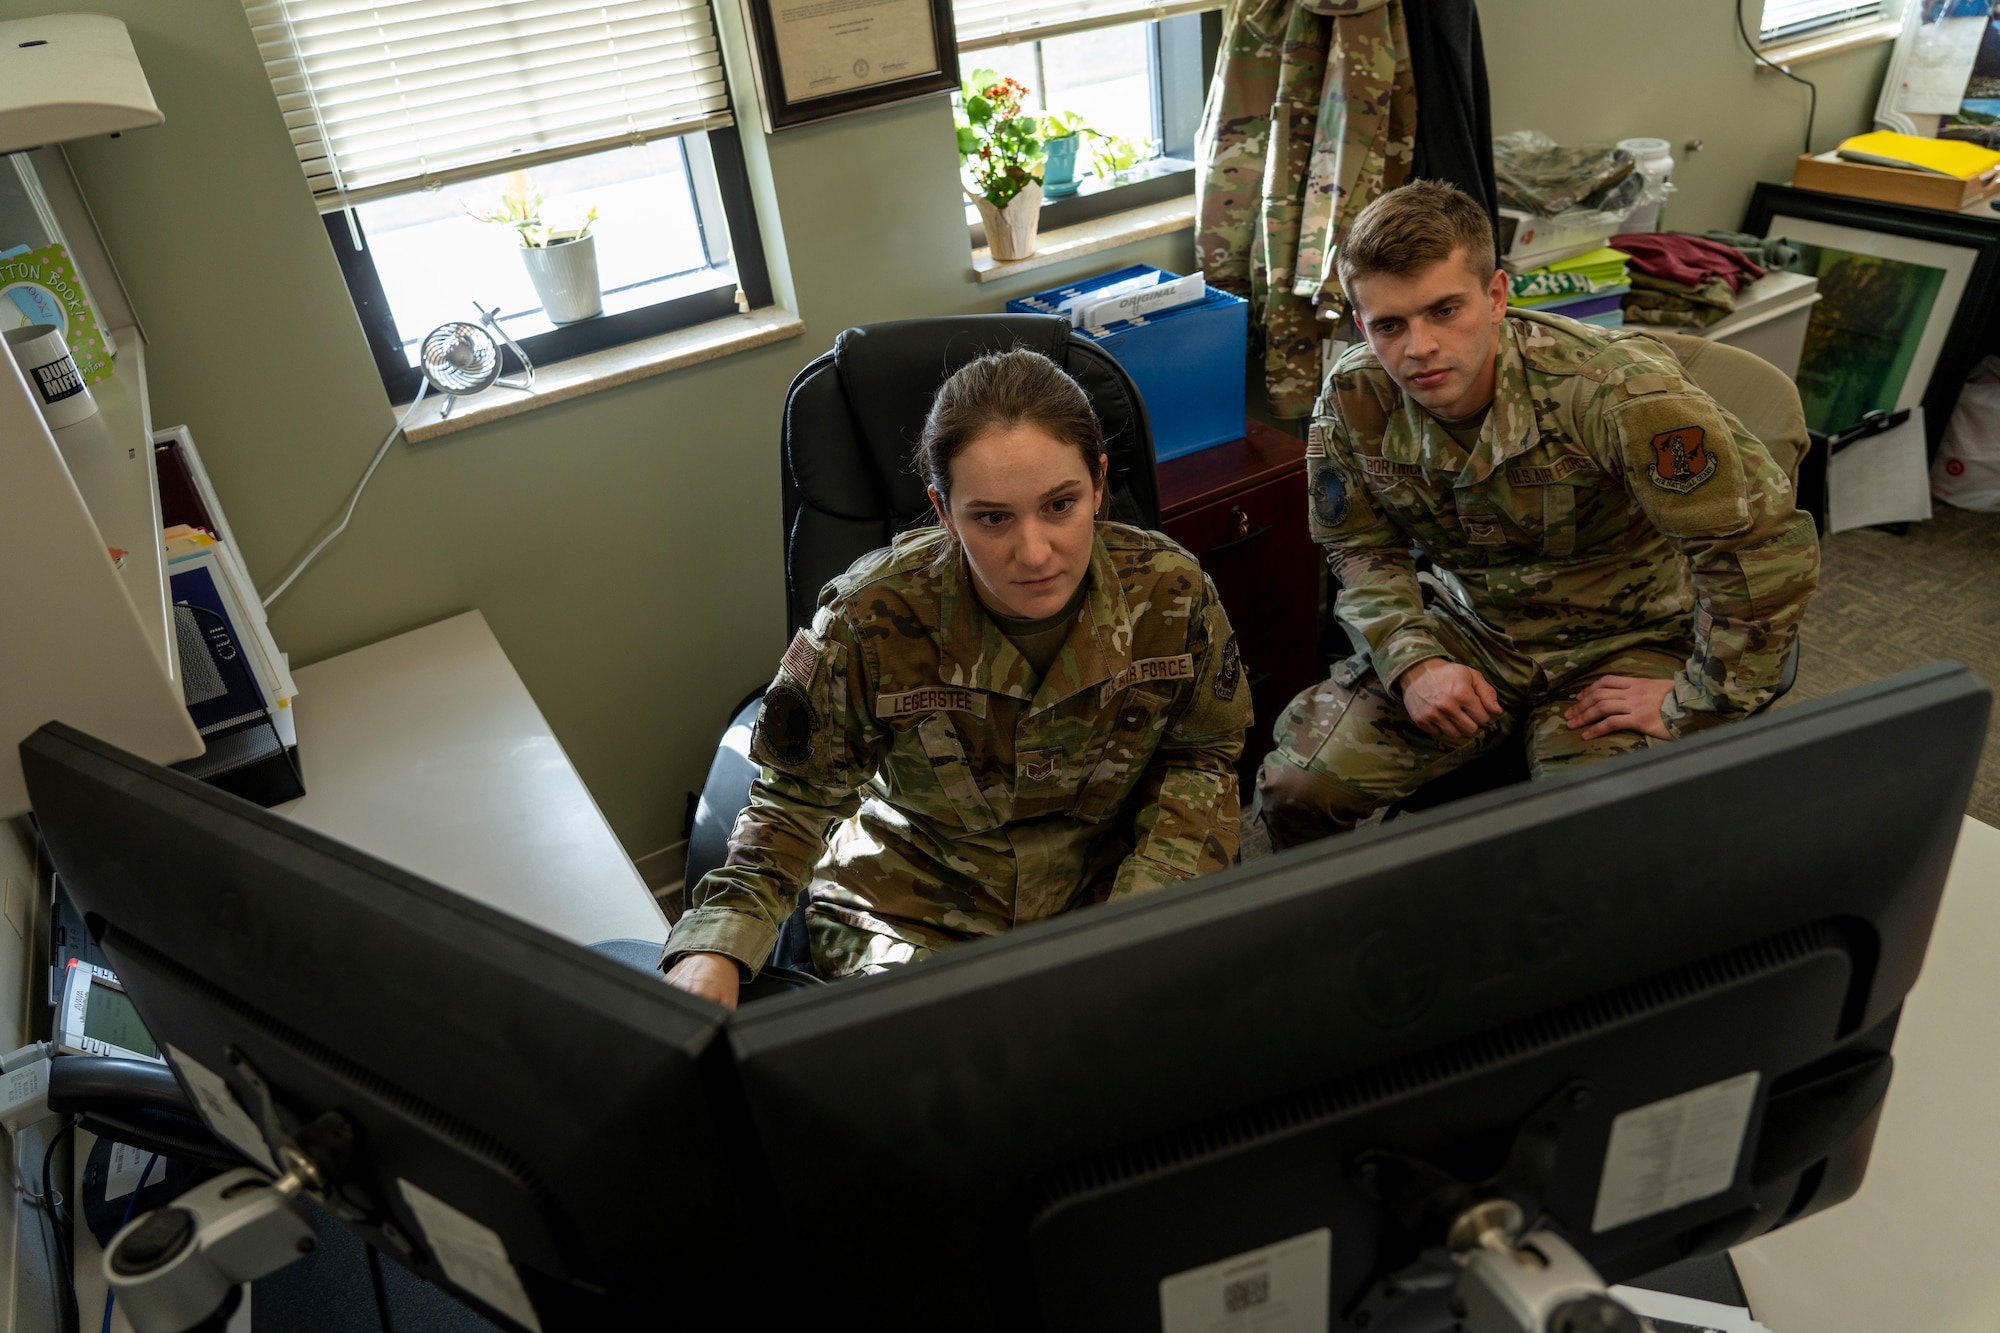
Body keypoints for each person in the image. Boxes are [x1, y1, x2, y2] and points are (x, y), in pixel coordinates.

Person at [663, 349, 1252, 1008]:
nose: (1033, 553)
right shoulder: (868, 619)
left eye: (1060, 504)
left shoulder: (1172, 594)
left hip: (1102, 893)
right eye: (993, 518)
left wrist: (1145, 912)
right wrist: (716, 943)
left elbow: (1201, 756)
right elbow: (793, 801)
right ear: (943, 510)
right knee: (949, 1070)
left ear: (1098, 483)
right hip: (913, 913)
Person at [1257, 180, 1819, 846]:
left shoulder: (1613, 392)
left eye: (1445, 310)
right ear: (1362, 324)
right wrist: (1413, 660)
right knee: (1298, 787)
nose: (1419, 347)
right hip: (1475, 631)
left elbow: (1760, 553)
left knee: (1584, 835)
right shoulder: (1355, 396)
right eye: (1390, 324)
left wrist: (1696, 701)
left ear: (1496, 297)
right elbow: (1360, 545)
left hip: (1627, 641)